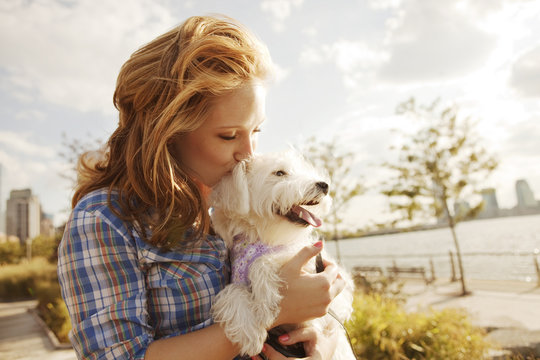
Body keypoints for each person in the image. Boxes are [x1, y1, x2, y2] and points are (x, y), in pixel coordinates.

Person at [58, 15, 345, 360]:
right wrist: (273, 312)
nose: (248, 154)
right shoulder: (104, 219)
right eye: (228, 135)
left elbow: (318, 310)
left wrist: (326, 341)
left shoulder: (228, 214)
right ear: (167, 132)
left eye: (256, 131)